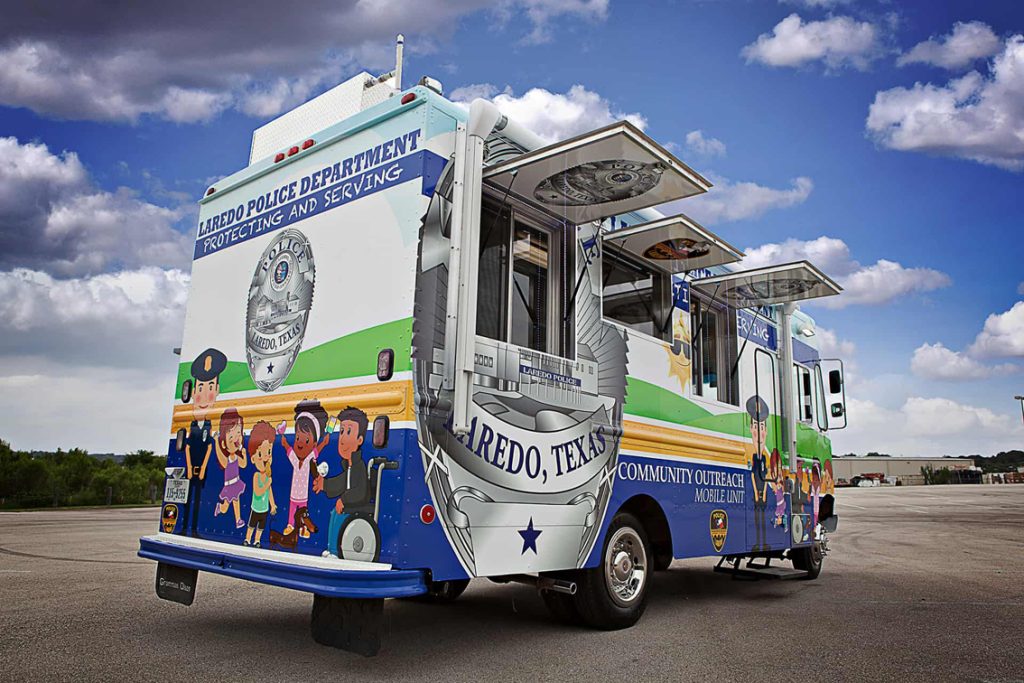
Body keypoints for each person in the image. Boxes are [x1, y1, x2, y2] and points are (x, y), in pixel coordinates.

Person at [313, 407, 370, 559]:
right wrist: (324, 484)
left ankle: (335, 552)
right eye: (342, 432)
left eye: (349, 432)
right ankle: (331, 549)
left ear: (360, 440)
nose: (343, 438)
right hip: (351, 503)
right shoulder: (349, 465)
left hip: (359, 504)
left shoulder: (359, 466)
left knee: (338, 514)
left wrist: (343, 500)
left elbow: (361, 491)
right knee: (334, 513)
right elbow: (341, 482)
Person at [183, 348, 226, 537]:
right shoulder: (193, 426)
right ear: (193, 392)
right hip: (193, 467)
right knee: (188, 498)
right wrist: (191, 467)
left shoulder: (208, 425)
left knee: (198, 499)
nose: (204, 395)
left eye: (210, 388)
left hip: (202, 469)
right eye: (200, 388)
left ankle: (193, 528)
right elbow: (187, 447)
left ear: (216, 391)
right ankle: (186, 527)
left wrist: (202, 468)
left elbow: (209, 447)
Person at [279, 399, 330, 538]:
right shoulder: (296, 460)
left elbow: (316, 451)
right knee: (292, 511)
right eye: (297, 438)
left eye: (306, 440)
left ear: (313, 443)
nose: (300, 443)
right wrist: (284, 443)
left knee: (303, 512)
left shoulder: (308, 460)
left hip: (302, 496)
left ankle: (303, 528)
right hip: (293, 494)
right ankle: (290, 525)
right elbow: (289, 451)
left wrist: (324, 443)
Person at [746, 395, 773, 551]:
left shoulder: (765, 457)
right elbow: (752, 475)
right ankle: (758, 543)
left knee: (762, 521)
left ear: (766, 431)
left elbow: (767, 475)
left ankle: (763, 542)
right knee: (758, 520)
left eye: (762, 427)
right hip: (757, 495)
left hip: (763, 494)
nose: (759, 431)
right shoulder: (753, 456)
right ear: (751, 429)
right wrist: (757, 494)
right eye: (756, 426)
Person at [245, 421, 278, 547]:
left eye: (269, 453)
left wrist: (273, 505)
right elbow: (258, 491)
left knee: (261, 527)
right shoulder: (257, 476)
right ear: (253, 458)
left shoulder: (267, 476)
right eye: (260, 454)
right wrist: (267, 483)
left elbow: (269, 492)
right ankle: (248, 539)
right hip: (256, 507)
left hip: (264, 508)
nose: (265, 458)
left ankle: (257, 540)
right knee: (252, 524)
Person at [214, 408, 248, 529]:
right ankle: (220, 508)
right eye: (231, 436)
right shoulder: (227, 459)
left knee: (236, 500)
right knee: (226, 507)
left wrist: (244, 453)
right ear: (224, 444)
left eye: (239, 433)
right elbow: (220, 458)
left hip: (236, 482)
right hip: (229, 485)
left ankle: (238, 519)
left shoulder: (237, 457)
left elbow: (244, 464)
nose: (236, 439)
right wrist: (216, 443)